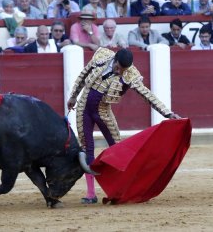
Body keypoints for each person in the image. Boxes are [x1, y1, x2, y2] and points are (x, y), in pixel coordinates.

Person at [67, 48, 181, 204]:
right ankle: (91, 193)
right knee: (87, 148)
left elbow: (147, 95)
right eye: (119, 67)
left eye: (123, 69)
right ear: (114, 59)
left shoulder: (130, 74)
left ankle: (125, 189)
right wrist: (73, 96)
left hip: (103, 112)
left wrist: (168, 113)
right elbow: (83, 75)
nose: (120, 71)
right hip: (83, 109)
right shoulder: (101, 57)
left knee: (118, 149)